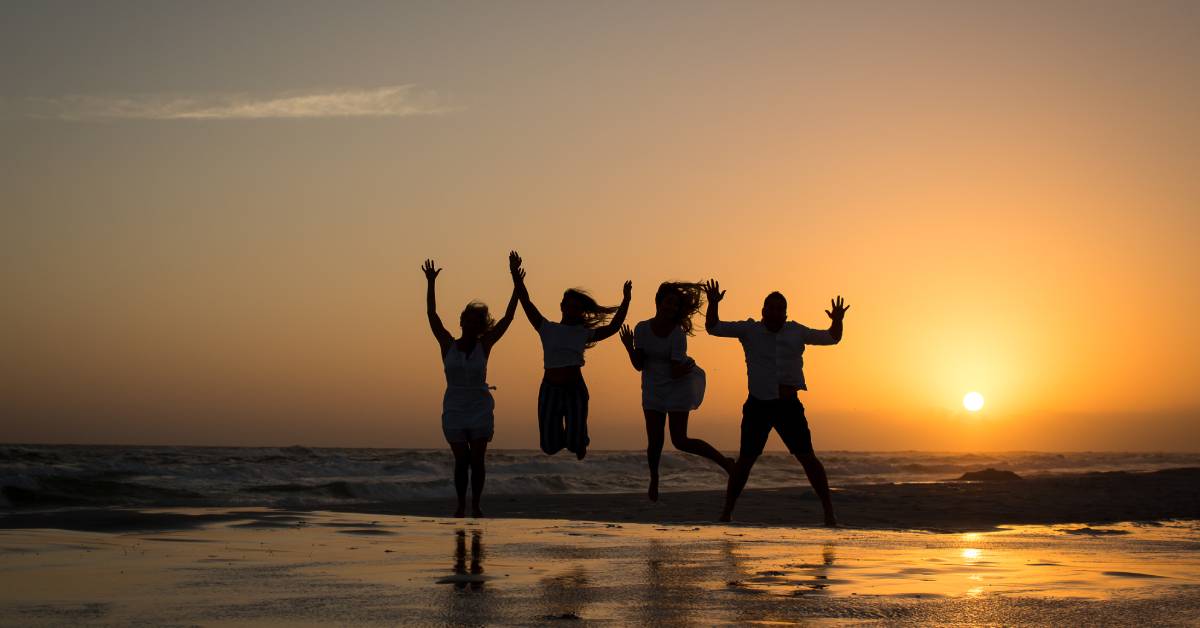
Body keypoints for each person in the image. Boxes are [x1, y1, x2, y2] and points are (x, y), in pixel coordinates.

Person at [703, 279, 849, 525]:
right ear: (763, 311)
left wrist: (837, 319)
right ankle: (727, 511)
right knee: (746, 460)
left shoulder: (796, 331)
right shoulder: (749, 330)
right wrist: (713, 304)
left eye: (779, 309)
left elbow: (832, 338)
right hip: (758, 405)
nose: (774, 313)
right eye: (770, 308)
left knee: (807, 457)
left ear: (785, 313)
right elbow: (713, 328)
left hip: (788, 406)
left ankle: (829, 512)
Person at [618, 282, 734, 502]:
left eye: (675, 304)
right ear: (658, 302)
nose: (671, 307)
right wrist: (628, 346)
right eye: (668, 302)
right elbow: (639, 365)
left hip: (678, 385)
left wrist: (680, 370)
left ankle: (725, 462)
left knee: (680, 440)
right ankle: (654, 478)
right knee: (655, 440)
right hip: (652, 388)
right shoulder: (642, 328)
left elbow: (674, 371)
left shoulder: (678, 334)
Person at [509, 251, 630, 459]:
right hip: (550, 389)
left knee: (576, 446)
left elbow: (613, 327)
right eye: (569, 306)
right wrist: (515, 274)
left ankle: (578, 438)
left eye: (577, 308)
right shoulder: (547, 328)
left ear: (582, 312)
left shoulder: (582, 333)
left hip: (575, 389)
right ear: (562, 307)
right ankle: (571, 434)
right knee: (548, 447)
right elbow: (526, 302)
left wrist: (626, 300)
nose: (573, 310)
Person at [422, 258, 518, 518]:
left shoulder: (485, 345)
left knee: (477, 460)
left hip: (479, 405)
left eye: (477, 320)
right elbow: (432, 316)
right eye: (468, 318)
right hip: (454, 405)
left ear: (481, 325)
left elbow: (509, 318)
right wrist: (431, 283)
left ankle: (475, 504)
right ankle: (460, 504)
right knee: (461, 460)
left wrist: (516, 283)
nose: (471, 323)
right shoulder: (447, 344)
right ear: (461, 320)